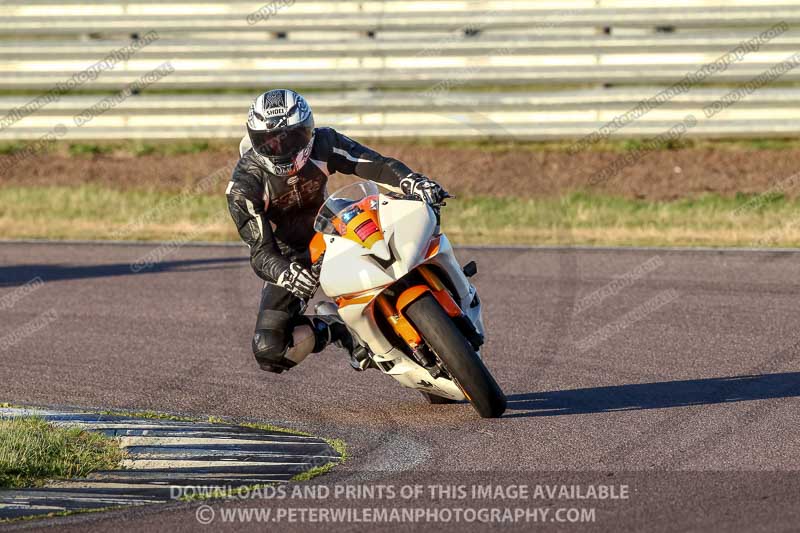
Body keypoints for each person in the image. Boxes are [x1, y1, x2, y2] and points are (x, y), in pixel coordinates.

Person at [226, 89, 448, 374]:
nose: (280, 150)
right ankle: (334, 329)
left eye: (290, 138)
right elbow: (260, 252)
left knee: (408, 226)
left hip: (336, 226)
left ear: (307, 131)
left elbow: (375, 165)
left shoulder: (324, 142)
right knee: (270, 350)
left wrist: (412, 181)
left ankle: (436, 283)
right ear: (253, 139)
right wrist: (285, 272)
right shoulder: (244, 186)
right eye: (268, 143)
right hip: (291, 257)